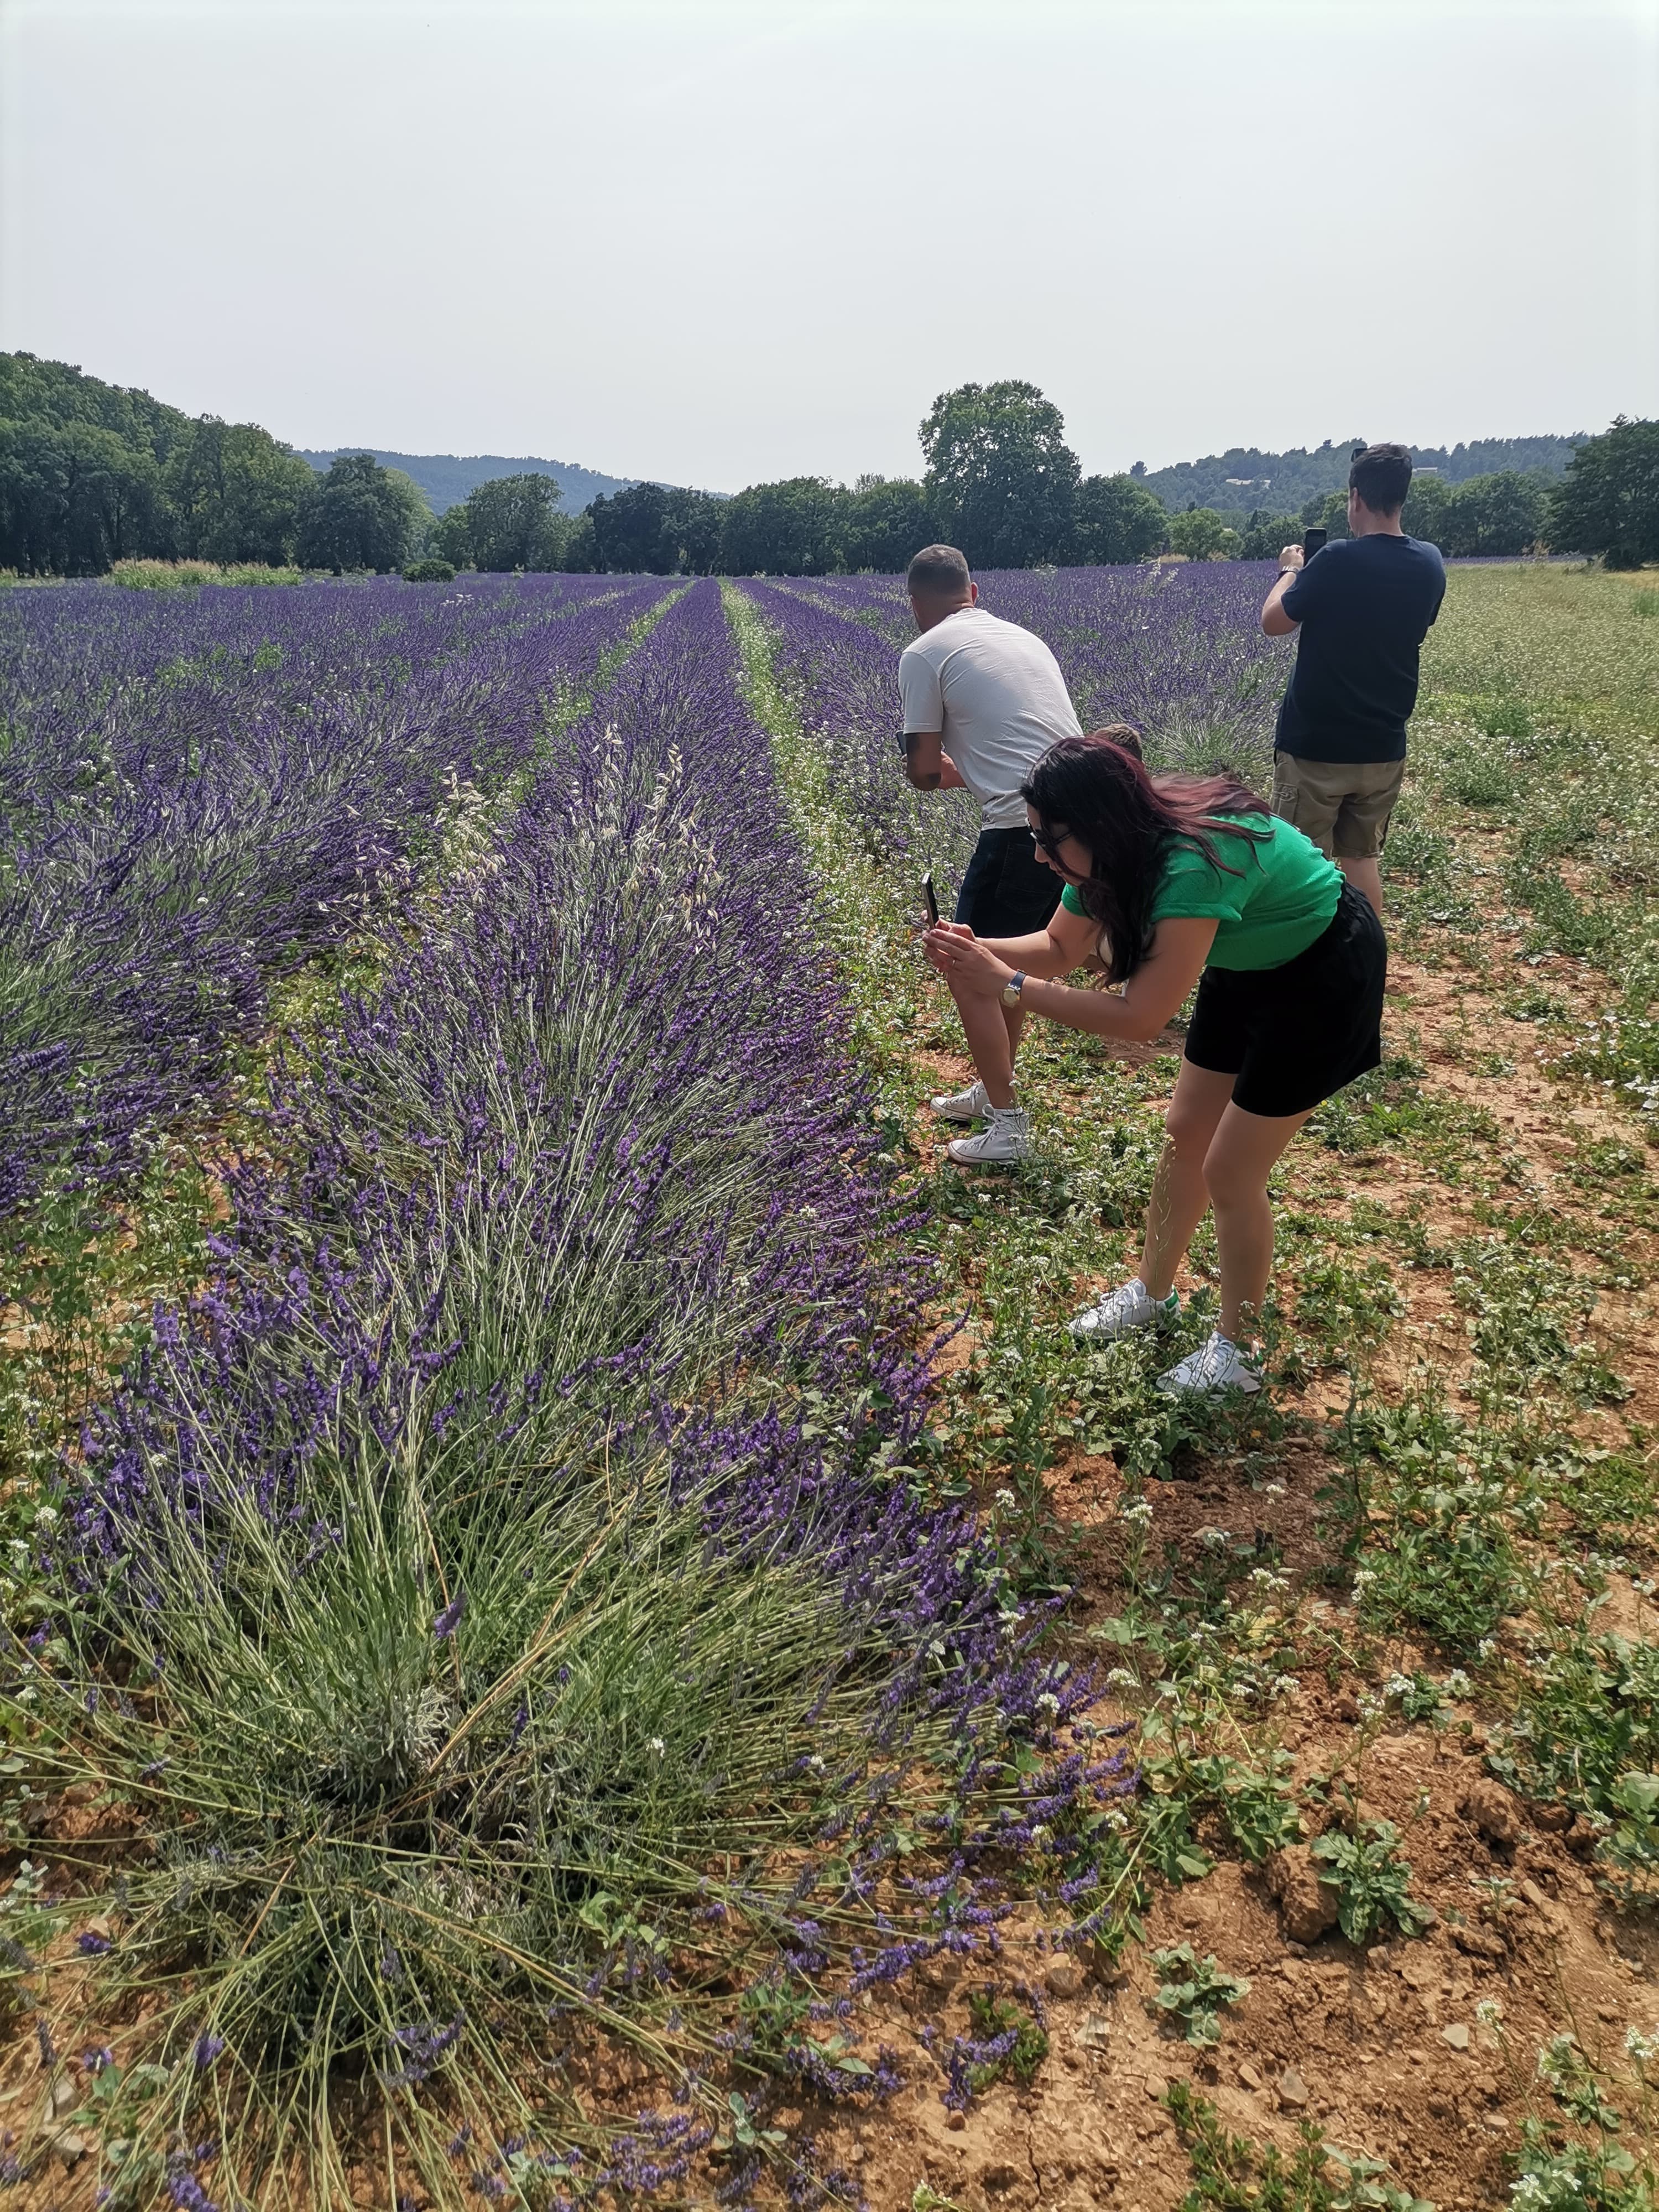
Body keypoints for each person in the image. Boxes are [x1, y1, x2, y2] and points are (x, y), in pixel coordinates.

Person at [922, 732, 1386, 1398]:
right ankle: (1153, 1291)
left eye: (1048, 840)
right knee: (1185, 1133)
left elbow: (1141, 1019)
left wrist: (1008, 985)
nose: (1037, 855)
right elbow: (1057, 947)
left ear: (1097, 824)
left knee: (1231, 1168)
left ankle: (1241, 1351)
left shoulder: (1185, 866)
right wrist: (976, 951)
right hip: (1247, 959)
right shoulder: (1107, 850)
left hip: (1322, 973)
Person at [899, 544, 1082, 1164]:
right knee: (1004, 967)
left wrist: (933, 772)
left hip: (1022, 830)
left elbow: (924, 771)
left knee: (969, 967)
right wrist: (973, 770)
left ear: (916, 605)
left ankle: (1007, 1125)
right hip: (1082, 814)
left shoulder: (924, 653)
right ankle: (991, 1086)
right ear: (972, 594)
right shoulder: (1023, 637)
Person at [1262, 442, 1446, 916]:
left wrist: (1290, 571)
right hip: (1383, 748)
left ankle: (1303, 971)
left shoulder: (1339, 559)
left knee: (1299, 864)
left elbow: (1274, 622)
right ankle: (1364, 960)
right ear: (1403, 497)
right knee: (1362, 860)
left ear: (1356, 497)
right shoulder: (1430, 563)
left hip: (1316, 748)